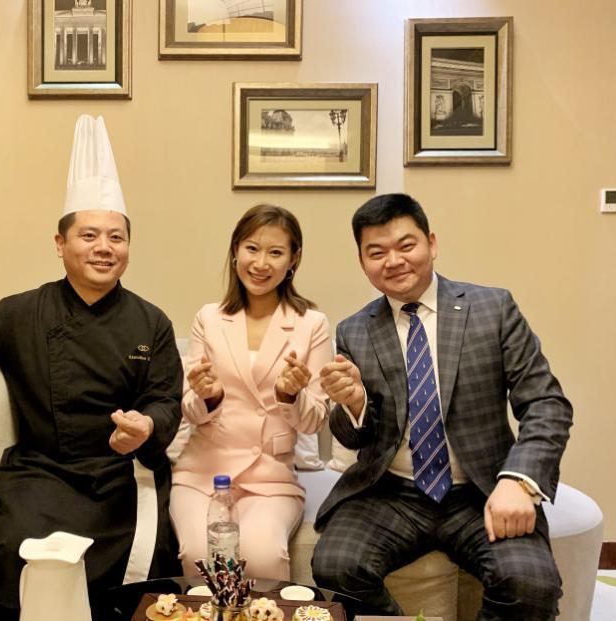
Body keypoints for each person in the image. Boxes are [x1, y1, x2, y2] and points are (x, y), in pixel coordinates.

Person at [0, 115, 183, 621]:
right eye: (89, 235)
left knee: (137, 571)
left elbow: (165, 399)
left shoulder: (151, 321)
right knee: (12, 554)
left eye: (116, 237)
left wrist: (146, 427)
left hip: (120, 474)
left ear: (128, 248)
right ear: (60, 244)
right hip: (40, 472)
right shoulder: (19, 312)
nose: (104, 247)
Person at [312, 193, 572, 620]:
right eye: (377, 252)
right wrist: (355, 404)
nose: (394, 261)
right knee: (335, 566)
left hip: (480, 490)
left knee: (529, 583)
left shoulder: (492, 309)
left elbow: (547, 403)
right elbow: (358, 437)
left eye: (406, 245)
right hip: (391, 493)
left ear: (431, 243)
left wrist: (519, 481)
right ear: (362, 262)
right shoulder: (355, 330)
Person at [171, 204, 332, 580]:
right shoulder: (209, 318)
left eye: (275, 252)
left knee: (262, 558)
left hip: (270, 478)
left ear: (293, 260)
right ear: (235, 251)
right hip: (204, 471)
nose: (261, 263)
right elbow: (190, 409)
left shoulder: (312, 324)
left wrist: (291, 396)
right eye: (252, 249)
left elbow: (315, 420)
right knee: (200, 556)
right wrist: (208, 396)